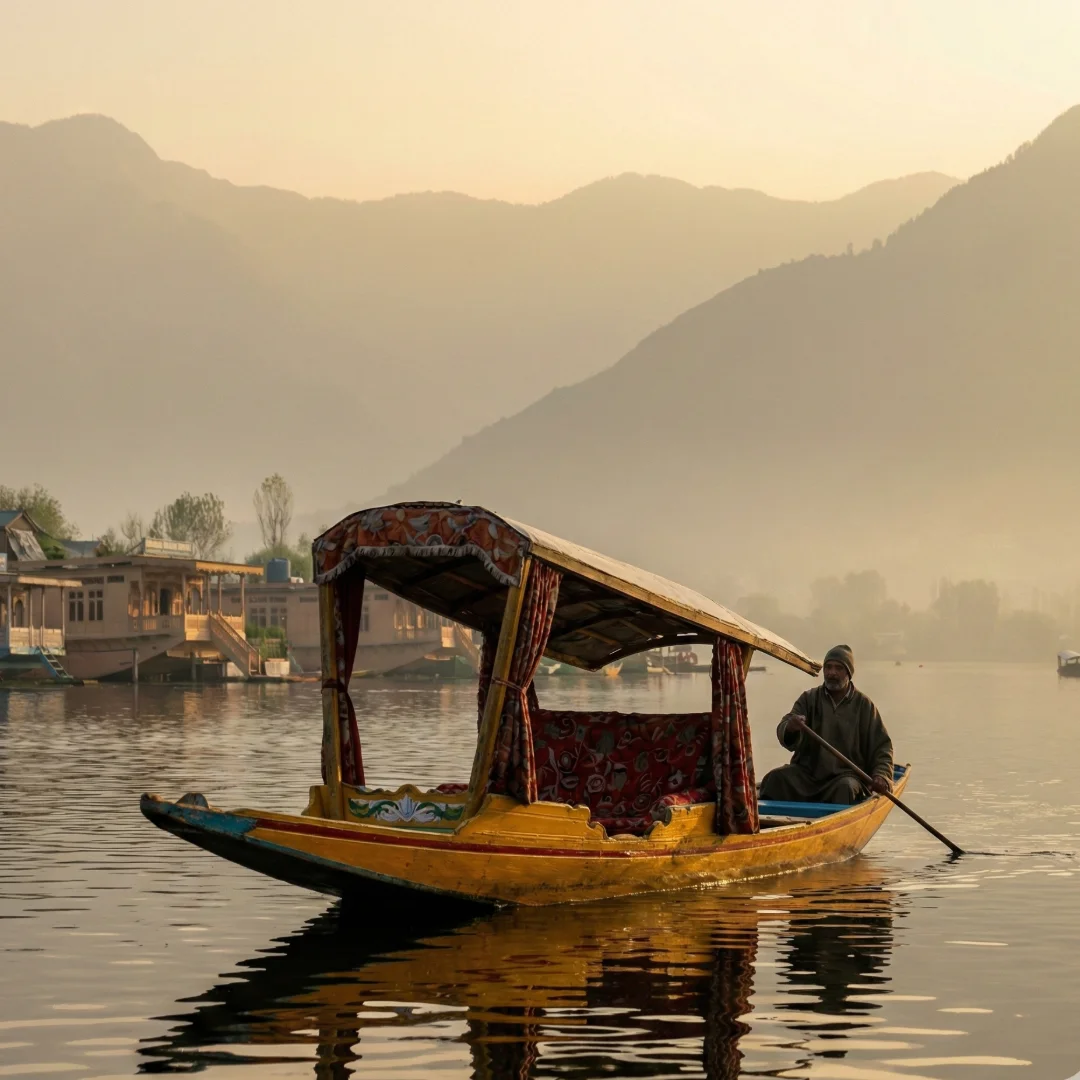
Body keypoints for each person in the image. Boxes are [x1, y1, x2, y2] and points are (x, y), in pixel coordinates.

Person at [758, 644, 892, 805]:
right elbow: (784, 727)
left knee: (846, 789)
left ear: (848, 673)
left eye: (838, 668)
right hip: (807, 775)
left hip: (844, 776)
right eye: (828, 667)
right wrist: (791, 727)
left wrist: (881, 775)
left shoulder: (864, 705)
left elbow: (882, 746)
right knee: (774, 780)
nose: (832, 673)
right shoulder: (809, 698)